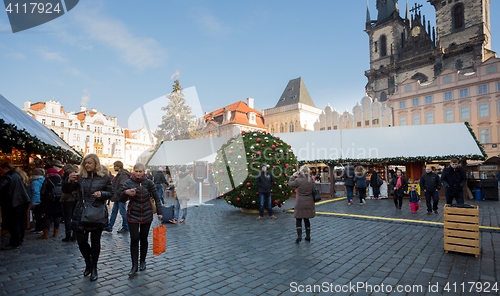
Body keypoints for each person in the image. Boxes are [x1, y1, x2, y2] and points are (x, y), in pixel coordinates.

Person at [62, 154, 113, 282]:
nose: (87, 165)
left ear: (96, 163)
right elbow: (66, 190)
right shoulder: (80, 178)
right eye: (85, 163)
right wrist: (68, 180)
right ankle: (88, 262)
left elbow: (111, 193)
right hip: (81, 212)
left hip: (97, 213)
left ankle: (94, 267)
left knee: (96, 242)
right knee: (81, 242)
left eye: (89, 163)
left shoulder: (104, 177)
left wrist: (102, 194)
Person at [121, 163, 163, 276]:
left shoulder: (149, 183)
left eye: (140, 171)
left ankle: (142, 260)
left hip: (146, 214)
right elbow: (120, 197)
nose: (138, 173)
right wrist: (126, 192)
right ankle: (134, 265)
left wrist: (160, 212)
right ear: (133, 171)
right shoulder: (129, 182)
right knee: (134, 239)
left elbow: (156, 197)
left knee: (143, 238)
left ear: (144, 171)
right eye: (136, 171)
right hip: (133, 214)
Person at [0, 162, 31, 250]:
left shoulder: (8, 176)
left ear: (6, 168)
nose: (1, 171)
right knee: (20, 222)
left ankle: (15, 242)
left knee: (14, 223)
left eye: (1, 169)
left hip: (15, 202)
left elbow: (1, 187)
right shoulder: (18, 175)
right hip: (23, 201)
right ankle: (19, 240)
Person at [289, 165, 315, 243]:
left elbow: (290, 184)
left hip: (300, 202)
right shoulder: (311, 180)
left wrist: (293, 176)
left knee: (298, 219)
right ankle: (308, 236)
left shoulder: (298, 180)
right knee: (307, 219)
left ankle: (299, 236)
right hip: (309, 202)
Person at [104, 161, 131, 233]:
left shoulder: (123, 174)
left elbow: (122, 186)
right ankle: (110, 226)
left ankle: (126, 226)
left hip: (121, 196)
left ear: (118, 166)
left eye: (115, 166)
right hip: (117, 196)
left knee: (122, 212)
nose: (114, 167)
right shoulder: (120, 174)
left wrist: (117, 193)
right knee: (114, 211)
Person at [38, 167, 64, 239]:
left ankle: (46, 234)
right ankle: (56, 233)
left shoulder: (47, 180)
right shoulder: (60, 180)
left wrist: (42, 199)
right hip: (58, 201)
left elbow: (42, 191)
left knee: (47, 216)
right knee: (57, 216)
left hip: (48, 201)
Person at [60, 164, 78, 242]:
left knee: (68, 218)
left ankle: (68, 236)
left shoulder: (67, 175)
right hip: (75, 198)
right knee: (74, 218)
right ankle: (74, 235)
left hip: (67, 199)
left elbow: (65, 187)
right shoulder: (77, 175)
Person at [29, 168, 45, 234]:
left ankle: (39, 228)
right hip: (42, 200)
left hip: (37, 201)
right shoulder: (43, 180)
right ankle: (41, 227)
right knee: (40, 215)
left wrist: (32, 203)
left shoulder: (35, 182)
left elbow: (35, 192)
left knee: (37, 215)